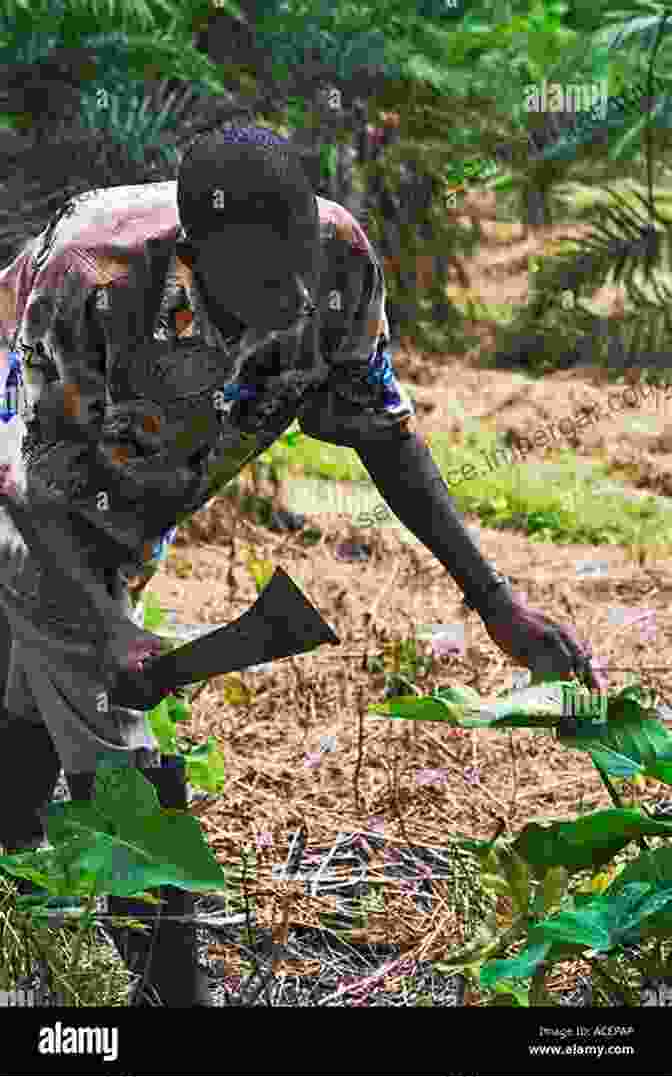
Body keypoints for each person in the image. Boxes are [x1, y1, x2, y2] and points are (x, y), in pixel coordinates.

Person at [0, 124, 605, 1006]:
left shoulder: (341, 256)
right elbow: (33, 477)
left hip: (127, 498)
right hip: (32, 468)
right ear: (196, 258)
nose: (289, 296)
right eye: (257, 281)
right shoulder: (94, 281)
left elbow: (381, 427)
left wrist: (495, 601)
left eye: (296, 262)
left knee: (25, 697)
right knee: (116, 746)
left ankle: (17, 900)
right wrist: (109, 626)